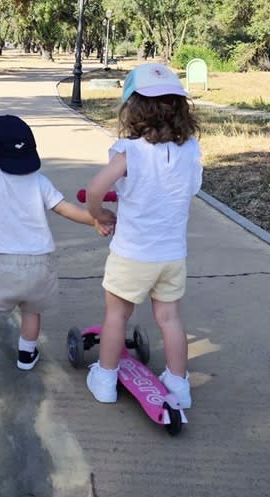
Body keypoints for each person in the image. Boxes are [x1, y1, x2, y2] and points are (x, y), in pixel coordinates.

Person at [0, 114, 112, 383]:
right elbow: (66, 209)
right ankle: (27, 354)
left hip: (4, 264)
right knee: (31, 310)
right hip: (40, 263)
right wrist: (96, 220)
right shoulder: (40, 181)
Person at [84, 63, 202, 408]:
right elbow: (190, 188)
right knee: (169, 318)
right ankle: (179, 385)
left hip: (133, 253)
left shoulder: (130, 151)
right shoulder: (191, 149)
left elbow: (95, 189)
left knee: (117, 316)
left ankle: (105, 377)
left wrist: (99, 213)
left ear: (132, 108)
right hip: (171, 254)